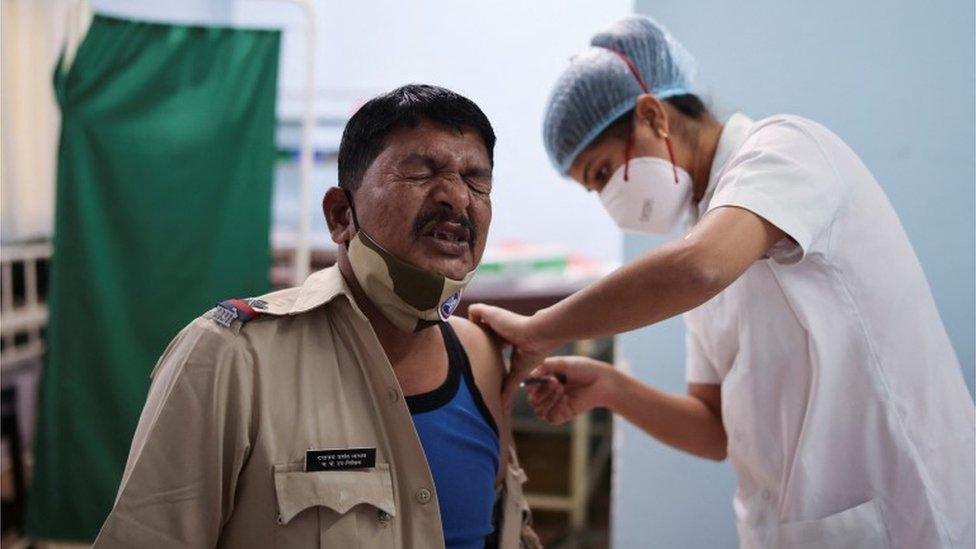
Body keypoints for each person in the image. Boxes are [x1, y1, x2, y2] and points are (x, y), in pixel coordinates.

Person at [470, 15, 975, 549]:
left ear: (651, 115)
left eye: (600, 174)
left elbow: (700, 268)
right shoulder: (702, 228)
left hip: (907, 518)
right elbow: (714, 430)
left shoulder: (783, 150)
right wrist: (610, 388)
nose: (606, 200)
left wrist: (542, 328)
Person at [94, 84, 539, 549]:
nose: (456, 197)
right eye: (420, 172)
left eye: (476, 180)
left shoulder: (481, 356)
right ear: (341, 215)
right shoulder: (232, 358)